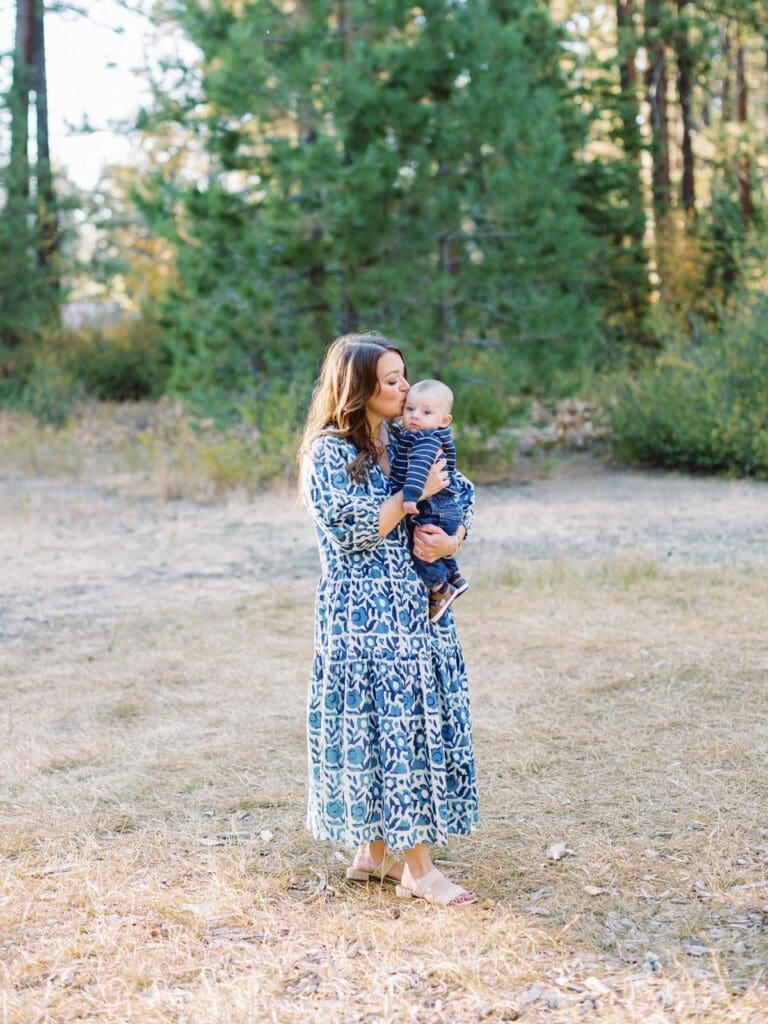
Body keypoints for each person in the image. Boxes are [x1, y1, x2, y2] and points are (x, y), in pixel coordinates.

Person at [298, 333, 479, 906]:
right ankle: (419, 871)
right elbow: (351, 530)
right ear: (359, 387)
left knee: (398, 724)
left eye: (405, 376)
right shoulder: (328, 453)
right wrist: (410, 496)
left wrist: (453, 535)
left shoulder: (404, 437)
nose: (405, 388)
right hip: (363, 616)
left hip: (414, 610)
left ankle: (373, 853)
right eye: (393, 379)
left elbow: (461, 491)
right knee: (393, 728)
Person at [389, 379, 469, 623]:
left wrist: (411, 496)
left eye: (425, 412)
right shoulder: (419, 434)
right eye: (410, 409)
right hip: (446, 508)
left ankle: (440, 589)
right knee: (430, 544)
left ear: (444, 420)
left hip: (435, 508)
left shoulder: (425, 440)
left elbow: (419, 470)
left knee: (421, 550)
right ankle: (455, 576)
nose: (414, 416)